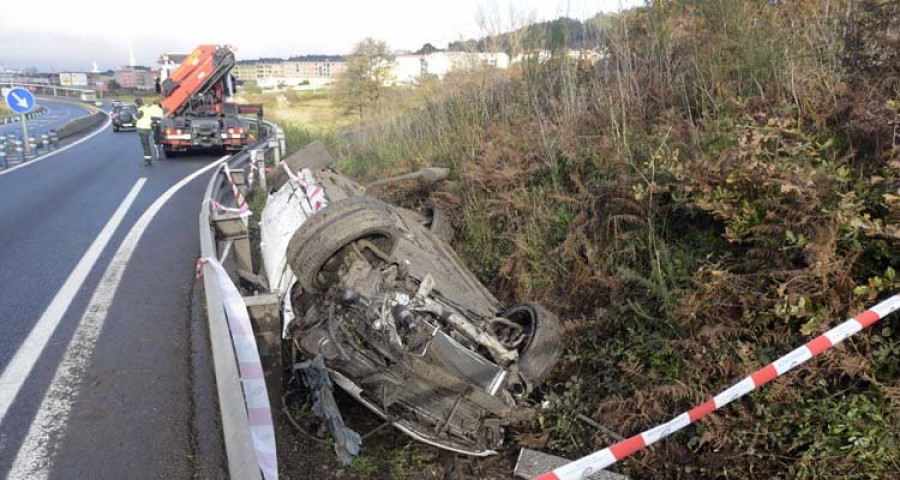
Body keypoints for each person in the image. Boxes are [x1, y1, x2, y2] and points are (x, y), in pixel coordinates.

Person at [134, 98, 164, 166]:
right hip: (146, 128)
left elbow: (136, 117)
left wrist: (133, 116)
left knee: (145, 145)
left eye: (135, 104)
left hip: (143, 129)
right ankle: (148, 158)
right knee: (146, 144)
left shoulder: (141, 110)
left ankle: (148, 160)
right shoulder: (146, 108)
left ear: (137, 104)